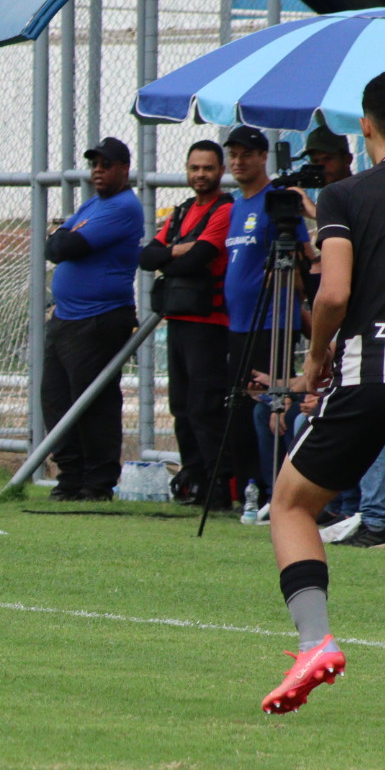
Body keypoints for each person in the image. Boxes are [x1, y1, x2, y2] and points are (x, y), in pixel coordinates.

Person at [260, 71, 385, 714]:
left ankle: (316, 644)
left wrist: (315, 359)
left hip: (375, 373)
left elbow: (333, 292)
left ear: (365, 125)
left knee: (291, 503)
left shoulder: (345, 195)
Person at [42, 137, 144, 502]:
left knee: (92, 403)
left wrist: (62, 237)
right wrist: (61, 237)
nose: (98, 170)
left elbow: (65, 246)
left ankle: (97, 483)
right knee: (54, 398)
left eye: (106, 164)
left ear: (123, 169)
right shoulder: (92, 204)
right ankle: (70, 477)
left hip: (99, 319)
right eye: (94, 164)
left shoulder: (123, 207)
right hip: (66, 318)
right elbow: (52, 245)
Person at [137, 141, 235, 507]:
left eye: (207, 168)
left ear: (220, 170)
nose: (200, 175)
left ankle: (219, 486)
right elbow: (146, 256)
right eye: (194, 168)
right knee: (180, 406)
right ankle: (193, 478)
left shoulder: (224, 210)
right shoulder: (181, 212)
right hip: (178, 319)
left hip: (208, 323)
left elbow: (199, 259)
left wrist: (172, 254)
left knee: (205, 406)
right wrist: (178, 250)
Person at [221, 125, 313, 509]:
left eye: (247, 154)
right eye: (234, 155)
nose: (239, 161)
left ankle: (281, 493)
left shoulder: (276, 200)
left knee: (271, 407)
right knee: (244, 408)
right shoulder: (234, 205)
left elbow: (304, 258)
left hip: (271, 321)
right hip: (239, 322)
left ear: (263, 157)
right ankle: (252, 489)